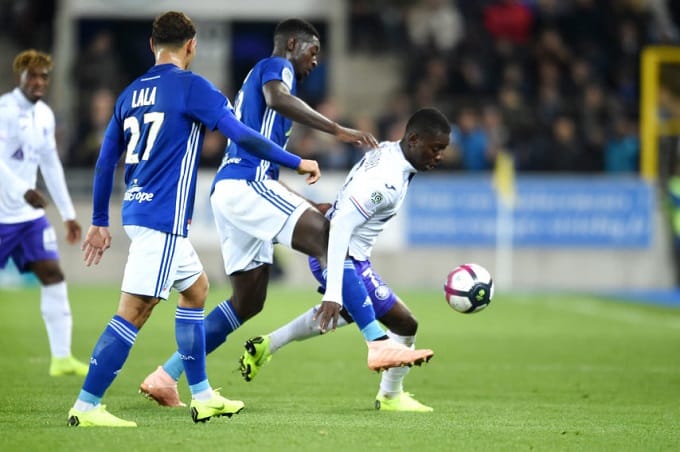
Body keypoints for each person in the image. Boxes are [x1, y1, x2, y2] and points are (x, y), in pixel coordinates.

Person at [139, 18, 433, 408]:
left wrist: (309, 205)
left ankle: (165, 375)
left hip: (235, 189)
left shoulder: (260, 80)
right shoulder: (276, 68)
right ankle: (377, 342)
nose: (314, 62)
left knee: (248, 301)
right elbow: (278, 99)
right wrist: (337, 129)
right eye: (312, 52)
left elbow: (267, 168)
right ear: (292, 44)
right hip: (247, 185)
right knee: (330, 238)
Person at [66, 11, 320, 428]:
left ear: (152, 45)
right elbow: (243, 136)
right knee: (133, 312)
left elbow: (104, 161)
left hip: (138, 209)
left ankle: (202, 396)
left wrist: (98, 220)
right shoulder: (194, 88)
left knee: (197, 290)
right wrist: (296, 160)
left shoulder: (129, 94)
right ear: (192, 45)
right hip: (163, 217)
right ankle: (86, 405)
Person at [240, 108, 451, 412]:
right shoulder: (387, 181)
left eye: (443, 149)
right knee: (405, 324)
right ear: (414, 140)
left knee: (350, 313)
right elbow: (340, 227)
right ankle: (391, 396)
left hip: (345, 253)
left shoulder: (392, 151)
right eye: (436, 148)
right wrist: (334, 289)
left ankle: (266, 345)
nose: (440, 155)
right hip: (342, 256)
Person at [0, 49, 89, 378]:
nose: (38, 82)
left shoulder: (45, 116)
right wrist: (22, 190)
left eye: (43, 77)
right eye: (32, 76)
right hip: (2, 215)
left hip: (28, 218)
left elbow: (50, 166)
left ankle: (62, 358)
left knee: (52, 274)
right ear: (19, 77)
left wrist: (67, 213)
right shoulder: (5, 110)